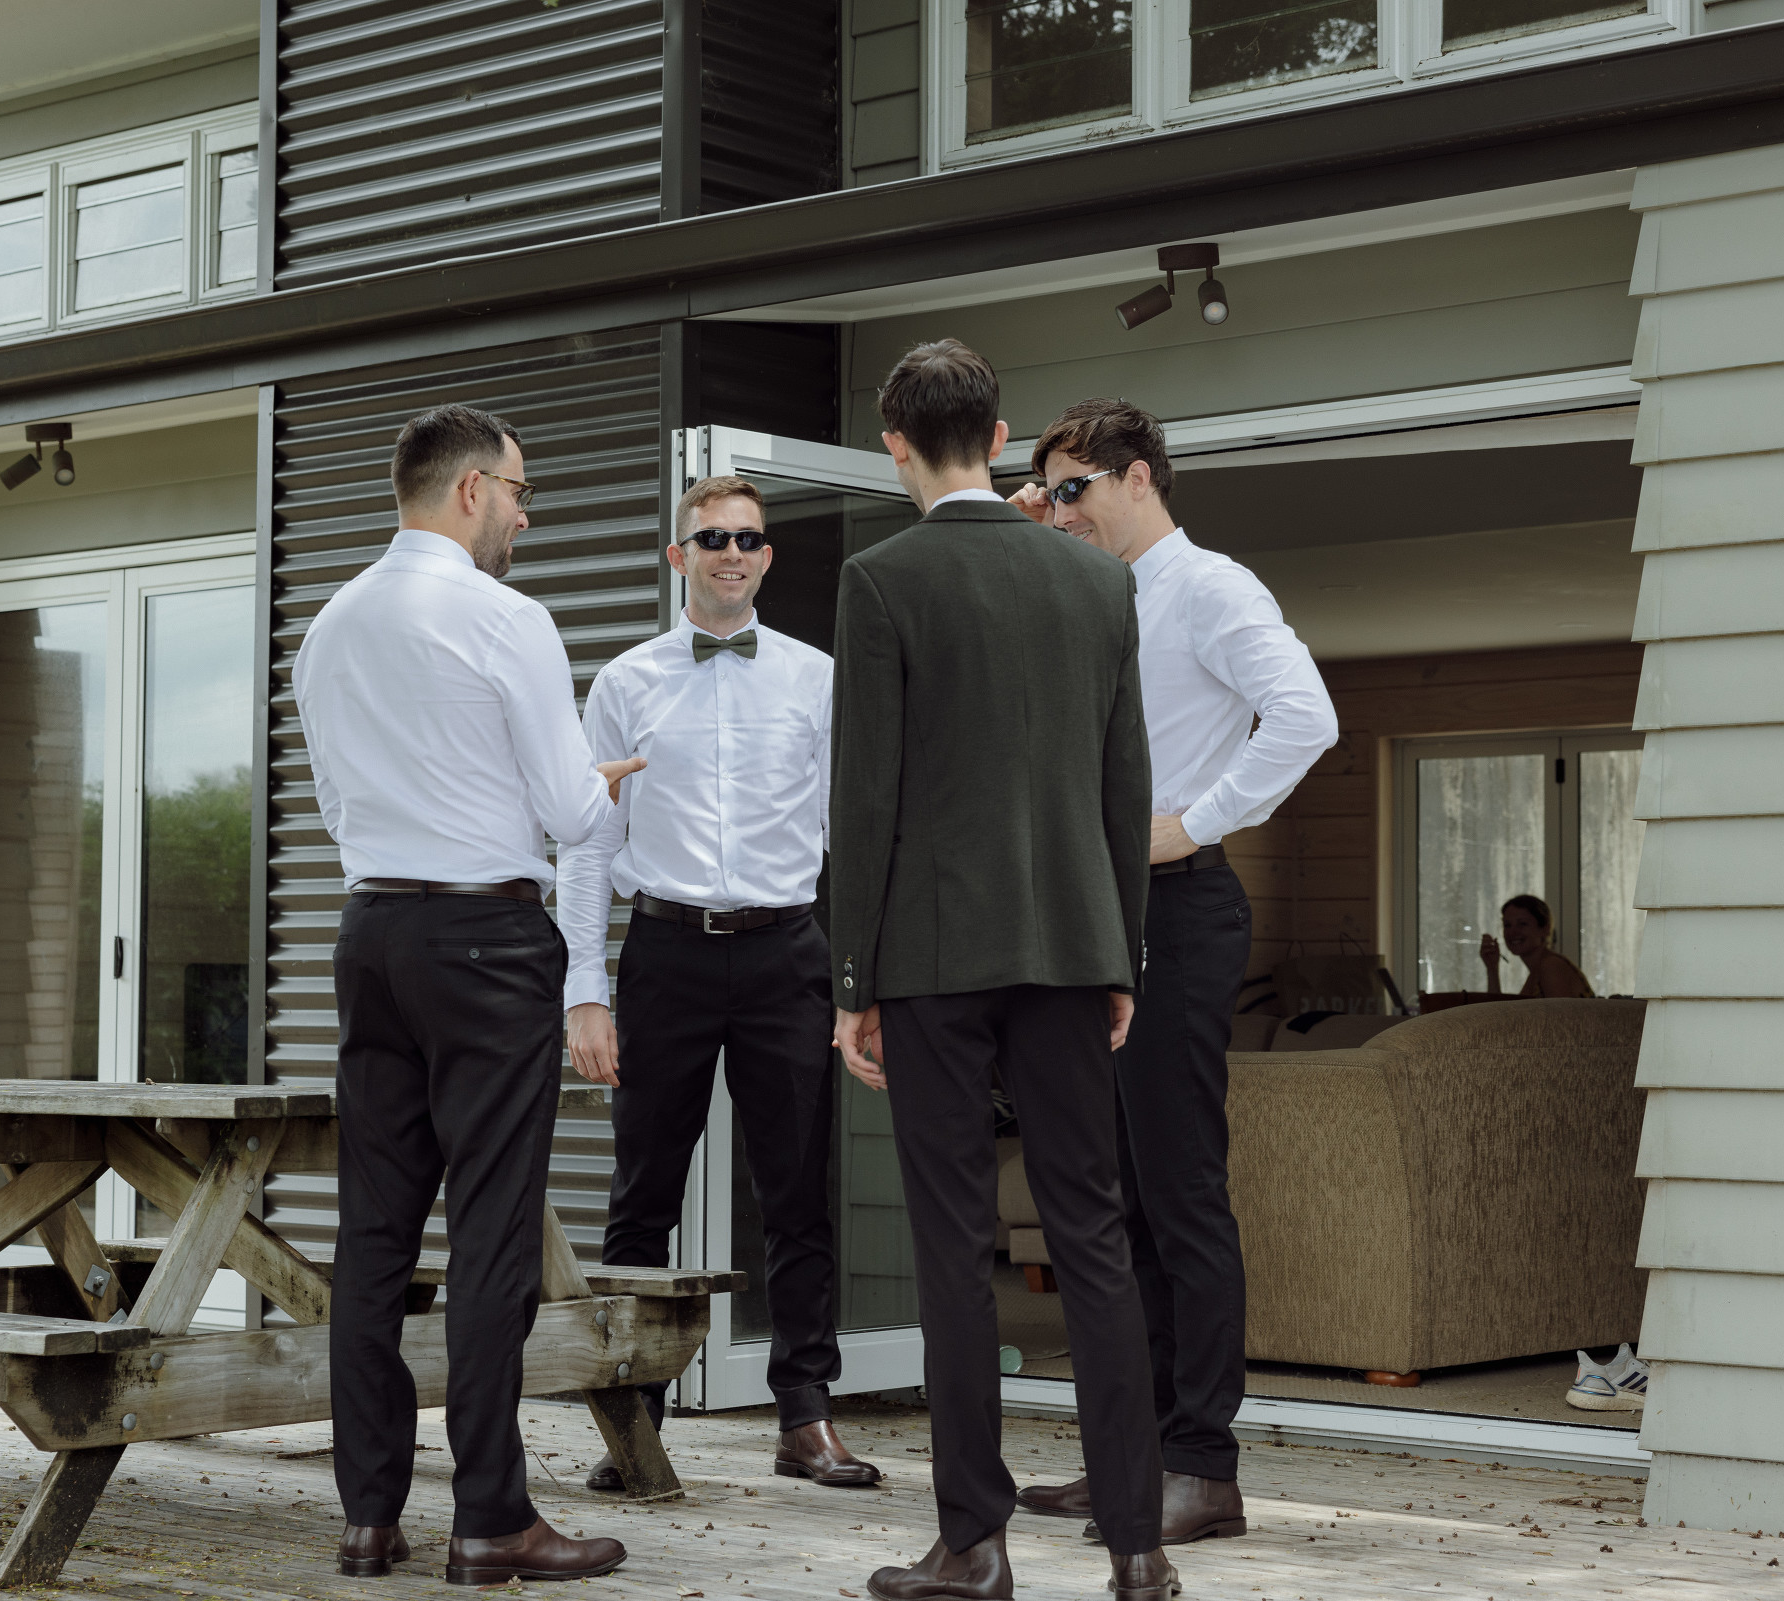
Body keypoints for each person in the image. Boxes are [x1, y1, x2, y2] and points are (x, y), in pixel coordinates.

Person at [830, 340, 1177, 1601]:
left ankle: (973, 1542)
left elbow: (865, 796)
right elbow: (1124, 779)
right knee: (1095, 1235)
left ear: (895, 445)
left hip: (930, 956)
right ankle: (1138, 1546)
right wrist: (1122, 949)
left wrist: (852, 979)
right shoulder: (1096, 580)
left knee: (951, 1246)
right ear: (998, 433)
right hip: (1075, 945)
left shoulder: (881, 580)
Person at [294, 403, 646, 1586]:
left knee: (373, 1232)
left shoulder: (329, 624)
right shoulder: (508, 618)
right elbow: (571, 811)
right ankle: (491, 1516)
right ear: (468, 491)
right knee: (492, 1230)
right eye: (519, 491)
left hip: (372, 932)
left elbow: (337, 803)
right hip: (487, 939)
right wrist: (602, 783)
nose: (525, 517)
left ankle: (369, 1514)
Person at [1006, 399, 1337, 1547]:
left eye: (1075, 488)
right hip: (1091, 916)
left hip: (1177, 912)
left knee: (1180, 1193)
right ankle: (1133, 1452)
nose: (1060, 509)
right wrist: (1033, 527)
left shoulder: (1211, 588)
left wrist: (1195, 820)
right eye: (1047, 491)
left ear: (1138, 477)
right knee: (1115, 1199)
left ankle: (1203, 1462)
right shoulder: (1085, 590)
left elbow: (1306, 716)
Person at [559, 473, 881, 1493]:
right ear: (679, 556)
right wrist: (583, 988)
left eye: (747, 538)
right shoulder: (625, 683)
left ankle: (805, 1415)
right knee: (641, 1193)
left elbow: (850, 834)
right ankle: (633, 1420)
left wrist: (858, 979)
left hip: (788, 953)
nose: (731, 553)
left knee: (797, 1193)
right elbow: (587, 840)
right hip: (667, 953)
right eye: (712, 539)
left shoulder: (818, 678)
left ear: (767, 556)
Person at [1482, 894, 1594, 997]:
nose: (1513, 932)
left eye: (1522, 924)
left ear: (1545, 928)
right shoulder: (1539, 969)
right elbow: (1496, 1010)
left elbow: (1562, 1013)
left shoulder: (1551, 966)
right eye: (1507, 925)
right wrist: (1492, 968)